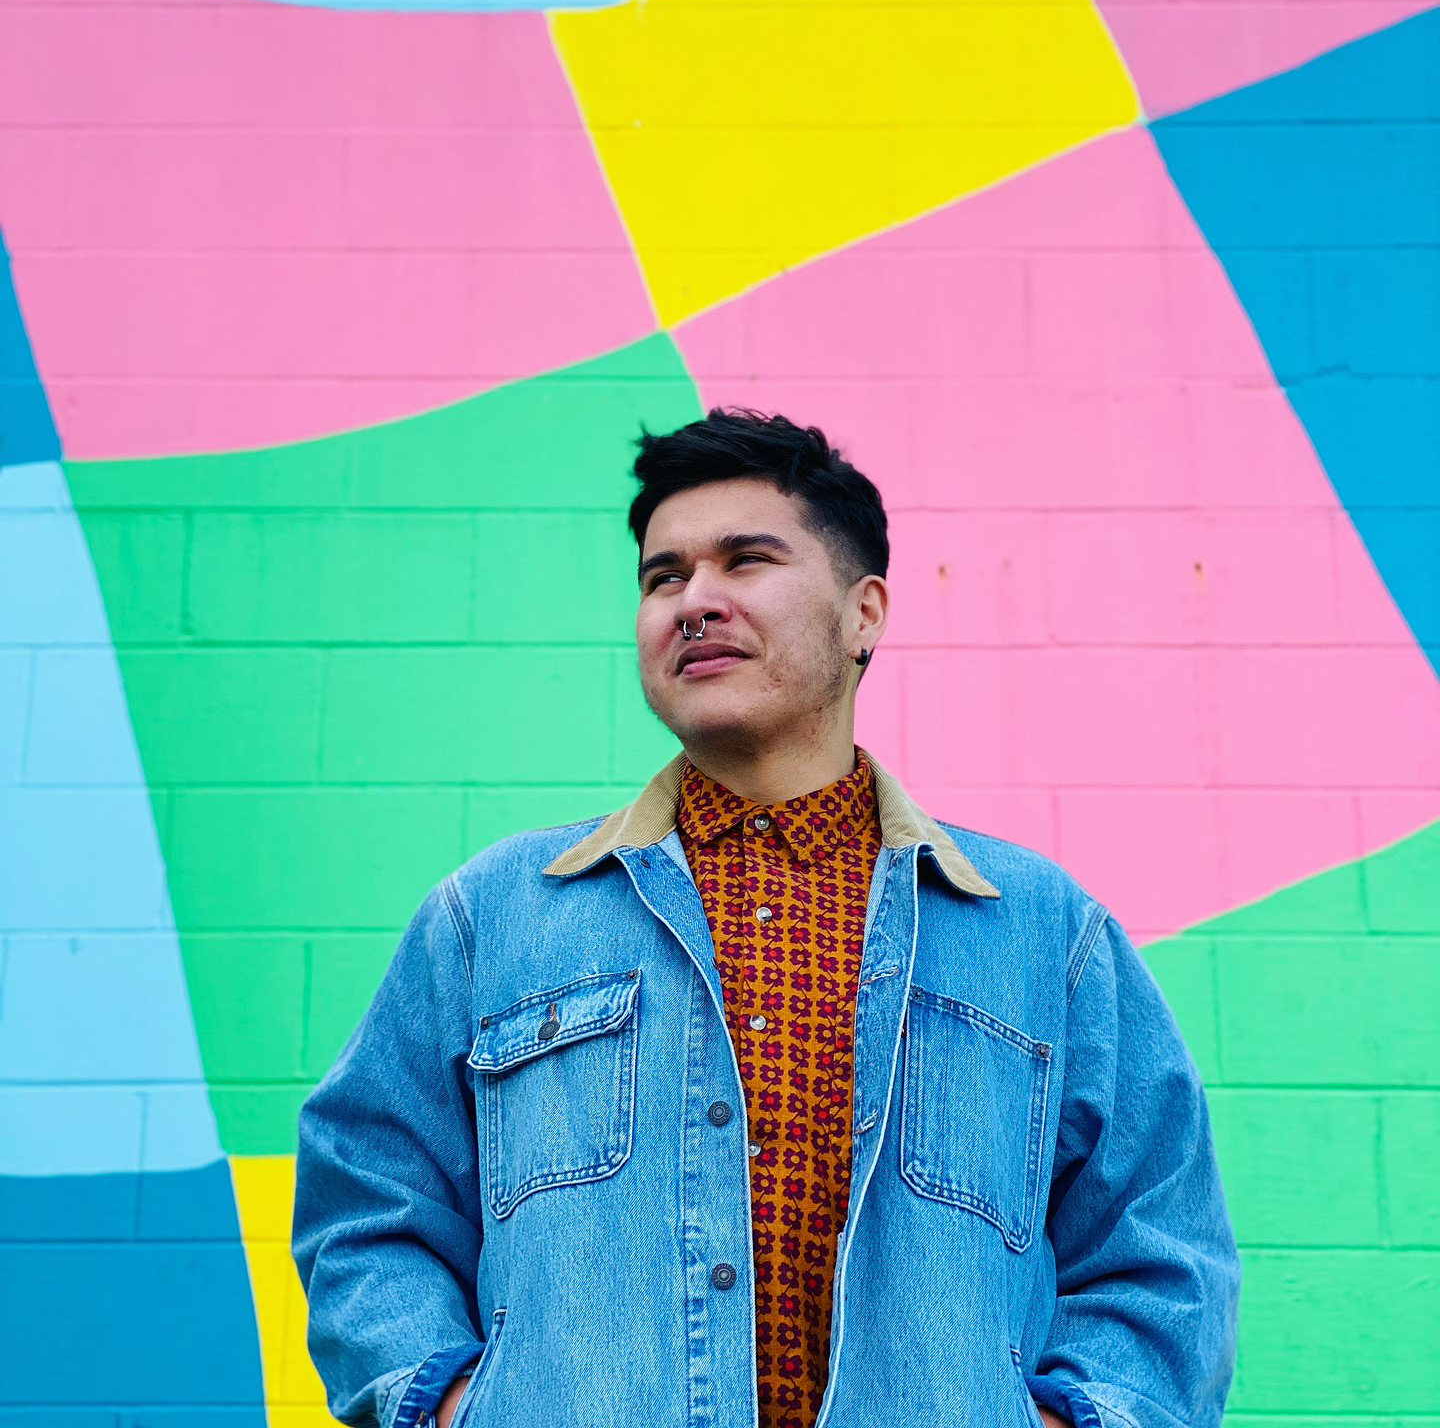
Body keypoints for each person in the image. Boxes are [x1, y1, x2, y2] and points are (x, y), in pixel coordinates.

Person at [293, 410, 1239, 1428]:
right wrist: (446, 1404)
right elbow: (368, 1202)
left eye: (745, 561)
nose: (694, 601)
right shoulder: (495, 919)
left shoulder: (1043, 938)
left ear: (862, 613)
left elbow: (1159, 1252)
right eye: (664, 577)